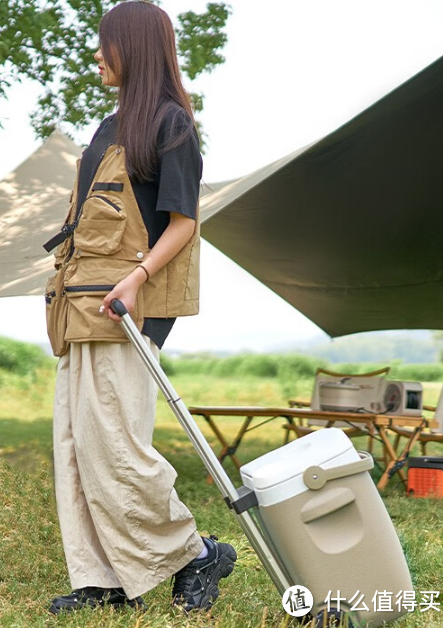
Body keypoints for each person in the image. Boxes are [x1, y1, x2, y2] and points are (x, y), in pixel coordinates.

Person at [46, 0, 237, 615]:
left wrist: (136, 278)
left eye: (106, 44)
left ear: (134, 46)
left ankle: (194, 553)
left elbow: (182, 223)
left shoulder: (171, 125)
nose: (97, 55)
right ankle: (104, 579)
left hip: (126, 307)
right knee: (77, 446)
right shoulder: (108, 126)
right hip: (81, 306)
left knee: (118, 448)